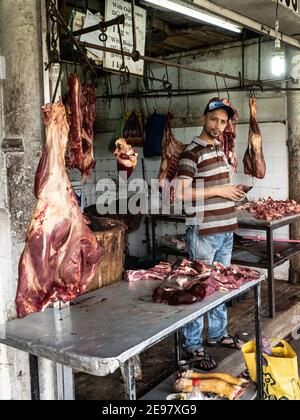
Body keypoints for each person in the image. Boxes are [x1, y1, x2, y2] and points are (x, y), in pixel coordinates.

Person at [176, 99, 246, 371]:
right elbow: (181, 192)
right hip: (203, 231)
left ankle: (217, 334)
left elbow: (217, 186)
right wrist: (220, 192)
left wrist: (231, 189)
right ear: (203, 117)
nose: (219, 125)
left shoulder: (219, 148)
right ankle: (193, 346)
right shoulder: (191, 152)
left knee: (221, 286)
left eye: (223, 121)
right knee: (199, 288)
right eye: (214, 119)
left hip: (225, 228)